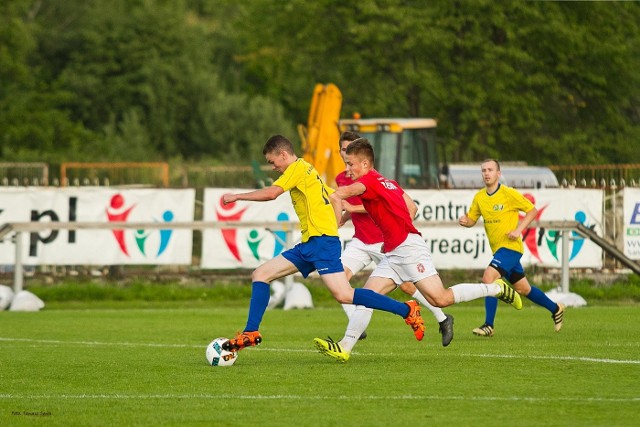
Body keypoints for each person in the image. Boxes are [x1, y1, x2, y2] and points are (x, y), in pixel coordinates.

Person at [314, 138, 523, 362]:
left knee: (441, 299)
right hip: (396, 250)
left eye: (351, 164)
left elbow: (338, 195)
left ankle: (496, 289)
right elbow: (410, 208)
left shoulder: (369, 182)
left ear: (365, 164)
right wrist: (394, 236)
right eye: (346, 164)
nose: (347, 169)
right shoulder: (388, 182)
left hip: (409, 250)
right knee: (368, 296)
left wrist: (334, 221)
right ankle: (345, 347)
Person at [220, 134, 426, 353]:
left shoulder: (297, 169)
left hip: (322, 243)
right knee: (260, 274)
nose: (273, 167)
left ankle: (407, 310)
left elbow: (272, 193)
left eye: (273, 162)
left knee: (344, 295)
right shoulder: (309, 171)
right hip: (309, 244)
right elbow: (332, 197)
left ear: (283, 154)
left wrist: (237, 197)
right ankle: (251, 332)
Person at [336, 131, 454, 347]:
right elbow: (345, 205)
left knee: (409, 286)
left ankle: (442, 318)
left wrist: (399, 231)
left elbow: (409, 207)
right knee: (340, 282)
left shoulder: (375, 178)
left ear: (362, 157)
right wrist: (344, 216)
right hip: (361, 241)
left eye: (350, 151)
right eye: (344, 151)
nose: (347, 156)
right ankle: (351, 336)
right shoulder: (342, 178)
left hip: (384, 241)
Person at [458, 159, 565, 337]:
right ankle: (556, 309)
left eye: (490, 170)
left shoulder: (508, 194)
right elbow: (472, 220)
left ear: (498, 173)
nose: (486, 173)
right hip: (499, 251)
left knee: (488, 278)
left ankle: (488, 325)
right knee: (523, 289)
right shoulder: (479, 198)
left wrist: (518, 230)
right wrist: (465, 221)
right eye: (483, 170)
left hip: (511, 248)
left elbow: (532, 211)